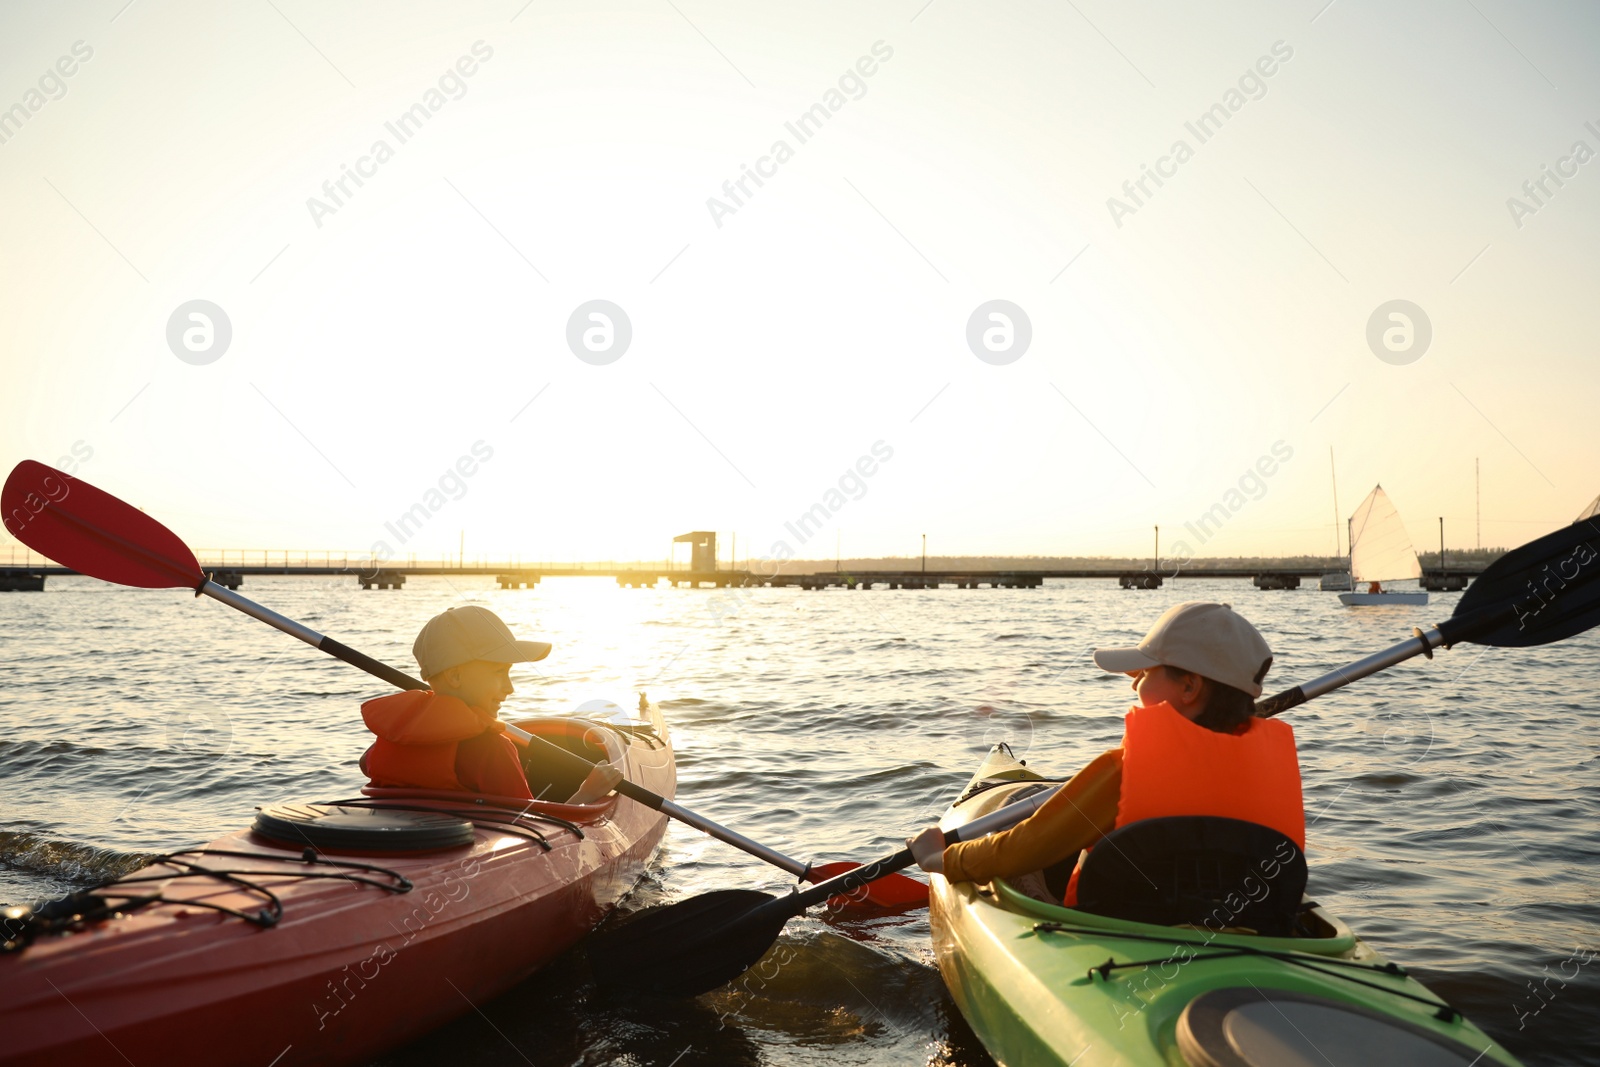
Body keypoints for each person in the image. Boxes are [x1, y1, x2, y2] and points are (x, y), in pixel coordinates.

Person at [907, 602, 1303, 908]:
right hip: (1250, 928)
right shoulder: (1272, 769)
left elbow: (1028, 845)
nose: (1134, 687)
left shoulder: (1124, 770)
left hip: (1121, 936)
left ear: (1189, 687)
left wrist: (944, 859)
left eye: (1145, 673)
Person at [359, 605, 555, 800]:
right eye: (499, 672)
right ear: (454, 676)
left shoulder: (390, 737)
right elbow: (532, 820)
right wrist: (585, 792)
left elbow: (365, 763)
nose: (509, 687)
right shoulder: (493, 750)